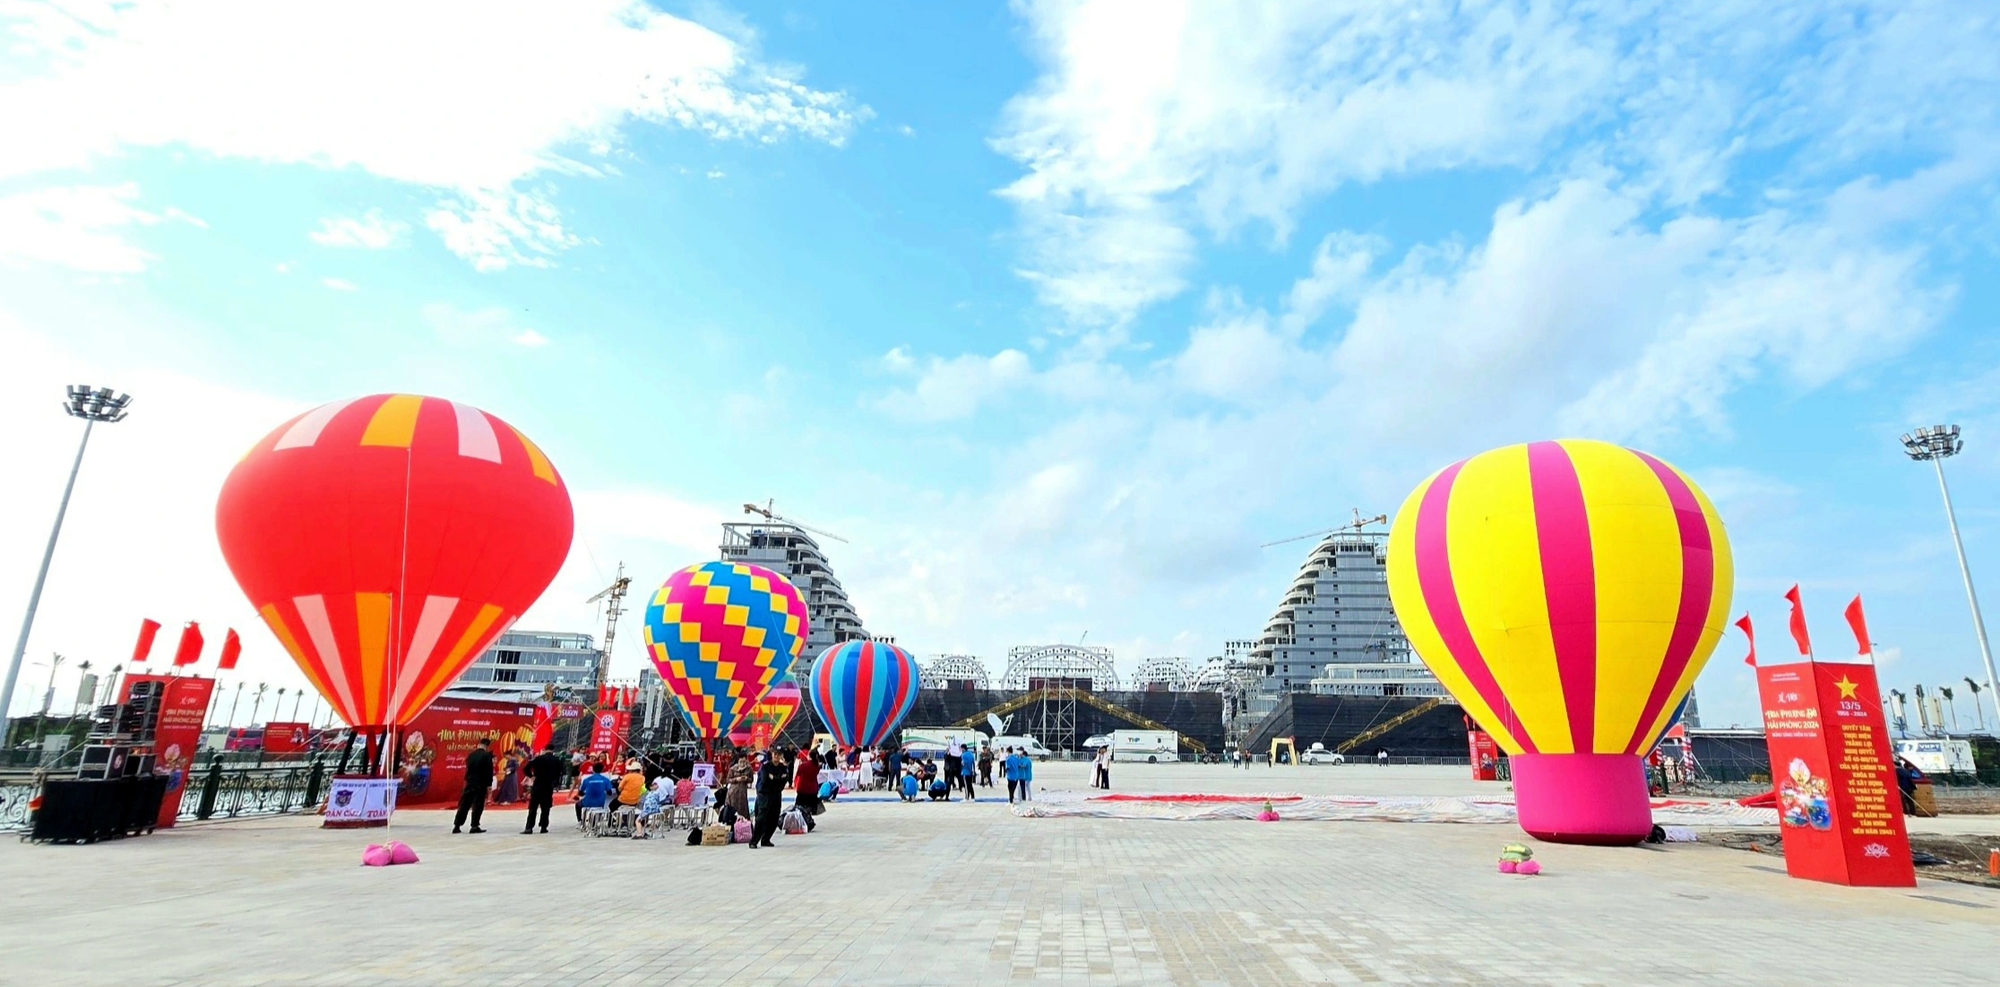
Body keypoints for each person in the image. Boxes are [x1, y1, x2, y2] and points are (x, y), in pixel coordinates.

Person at [453, 737, 495, 833]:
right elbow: (488, 771)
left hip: (470, 782)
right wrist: (489, 785)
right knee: (478, 805)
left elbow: (468, 768)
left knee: (464, 804)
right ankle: (474, 825)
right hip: (481, 783)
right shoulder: (487, 756)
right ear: (487, 746)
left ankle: (457, 825)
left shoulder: (471, 755)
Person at [751, 749, 790, 848]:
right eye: (775, 754)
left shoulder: (783, 768)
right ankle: (754, 841)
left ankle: (766, 839)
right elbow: (765, 780)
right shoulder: (766, 767)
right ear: (772, 755)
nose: (776, 756)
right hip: (764, 794)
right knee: (760, 818)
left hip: (776, 794)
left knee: (773, 818)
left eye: (779, 754)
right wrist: (777, 779)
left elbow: (784, 781)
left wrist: (774, 778)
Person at [520, 745, 564, 834]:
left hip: (538, 784)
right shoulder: (557, 760)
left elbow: (526, 768)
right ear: (553, 750)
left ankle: (529, 827)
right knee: (546, 806)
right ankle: (544, 826)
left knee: (533, 807)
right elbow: (560, 773)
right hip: (548, 785)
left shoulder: (538, 758)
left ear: (544, 749)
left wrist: (531, 776)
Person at [792, 746, 822, 831]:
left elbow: (798, 774)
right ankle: (808, 820)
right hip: (813, 789)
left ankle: (800, 821)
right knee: (809, 807)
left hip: (803, 788)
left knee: (799, 806)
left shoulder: (803, 765)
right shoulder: (817, 766)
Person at [725, 753, 753, 820]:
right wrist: (736, 779)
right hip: (733, 791)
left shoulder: (749, 768)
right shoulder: (733, 768)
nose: (742, 763)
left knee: (743, 809)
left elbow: (751, 779)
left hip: (742, 792)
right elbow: (728, 780)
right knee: (732, 808)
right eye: (741, 761)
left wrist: (746, 779)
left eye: (744, 761)